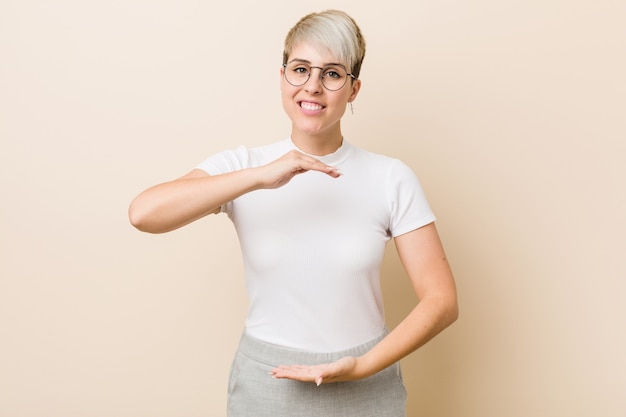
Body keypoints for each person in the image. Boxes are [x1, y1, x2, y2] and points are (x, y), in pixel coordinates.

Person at [129, 9, 458, 417]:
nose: (313, 87)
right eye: (300, 69)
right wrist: (260, 176)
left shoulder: (391, 177)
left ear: (353, 89)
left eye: (332, 74)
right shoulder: (243, 166)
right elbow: (144, 213)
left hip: (367, 381)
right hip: (267, 385)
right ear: (282, 77)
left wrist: (362, 366)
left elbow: (441, 299)